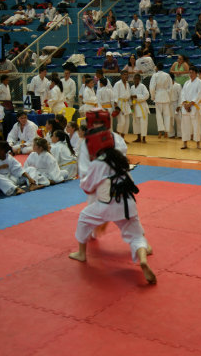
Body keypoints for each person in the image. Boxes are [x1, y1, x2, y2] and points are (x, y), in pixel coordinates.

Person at [69, 110, 156, 284]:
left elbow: (87, 183)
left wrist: (92, 182)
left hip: (105, 199)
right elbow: (131, 182)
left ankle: (81, 253)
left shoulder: (97, 158)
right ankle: (142, 256)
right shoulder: (120, 158)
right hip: (127, 201)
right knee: (135, 235)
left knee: (85, 217)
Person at [179, 67, 201, 149]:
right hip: (186, 107)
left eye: (192, 72)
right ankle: (185, 143)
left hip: (194, 106)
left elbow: (199, 94)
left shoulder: (200, 82)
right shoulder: (186, 83)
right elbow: (182, 94)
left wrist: (190, 104)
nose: (190, 74)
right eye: (189, 72)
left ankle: (198, 143)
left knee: (196, 126)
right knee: (184, 126)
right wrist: (185, 103)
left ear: (196, 73)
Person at [149, 62, 173, 138]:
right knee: (167, 115)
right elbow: (170, 87)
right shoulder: (167, 75)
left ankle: (160, 132)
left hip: (158, 96)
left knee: (159, 115)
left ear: (157, 68)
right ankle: (166, 132)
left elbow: (152, 87)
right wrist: (168, 95)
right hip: (165, 96)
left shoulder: (155, 75)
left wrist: (153, 96)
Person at [130, 74, 150, 143]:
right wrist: (131, 104)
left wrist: (137, 96)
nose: (136, 80)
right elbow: (130, 97)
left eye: (138, 79)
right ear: (133, 79)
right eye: (135, 78)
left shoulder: (142, 86)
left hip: (142, 106)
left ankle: (143, 138)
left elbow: (147, 95)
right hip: (135, 106)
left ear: (140, 79)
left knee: (143, 122)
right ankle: (138, 137)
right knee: (136, 122)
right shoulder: (132, 87)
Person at [114, 70, 132, 139]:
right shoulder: (117, 84)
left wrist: (131, 104)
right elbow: (115, 95)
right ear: (121, 76)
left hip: (126, 104)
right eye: (124, 74)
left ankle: (122, 139)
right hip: (120, 105)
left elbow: (129, 95)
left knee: (127, 123)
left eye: (127, 74)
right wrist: (116, 106)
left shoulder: (127, 84)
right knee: (121, 122)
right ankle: (117, 138)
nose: (126, 76)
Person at [169, 73, 182, 138]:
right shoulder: (166, 86)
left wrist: (179, 106)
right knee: (169, 120)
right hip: (169, 104)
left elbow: (180, 96)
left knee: (179, 120)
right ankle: (171, 134)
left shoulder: (178, 85)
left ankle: (180, 134)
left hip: (176, 103)